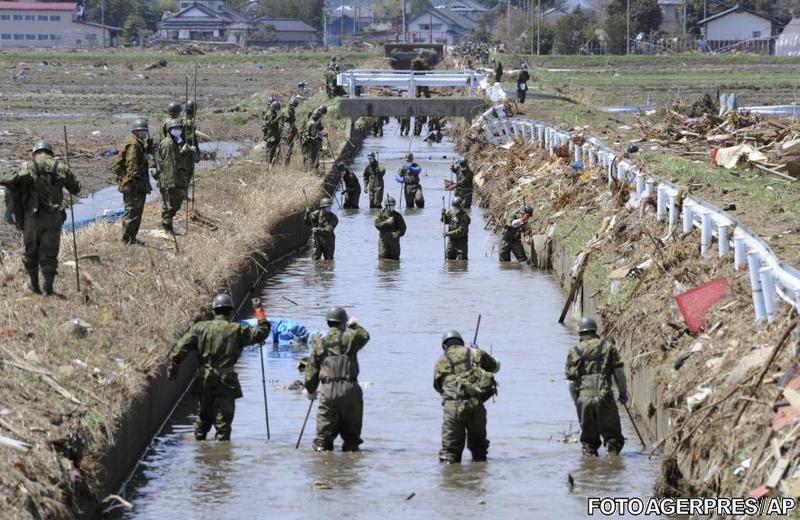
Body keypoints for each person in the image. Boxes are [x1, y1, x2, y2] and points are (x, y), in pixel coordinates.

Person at [169, 293, 271, 441]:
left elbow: (180, 348)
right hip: (226, 383)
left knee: (203, 419)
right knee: (223, 425)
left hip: (204, 381)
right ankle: (222, 457)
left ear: (214, 311)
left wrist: (175, 364)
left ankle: (199, 454)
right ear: (230, 311)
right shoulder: (238, 330)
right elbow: (262, 333)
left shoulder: (200, 328)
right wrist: (259, 309)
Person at [0, 141, 80, 295]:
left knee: (31, 252)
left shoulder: (27, 166)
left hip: (32, 218)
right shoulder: (61, 167)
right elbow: (76, 188)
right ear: (50, 153)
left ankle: (34, 285)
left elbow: (11, 182)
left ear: (34, 153)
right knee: (49, 253)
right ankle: (48, 289)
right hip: (53, 217)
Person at [303, 306, 370, 451]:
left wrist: (310, 389)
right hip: (350, 390)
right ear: (343, 323)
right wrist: (354, 325)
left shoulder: (319, 342)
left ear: (328, 322)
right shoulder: (350, 337)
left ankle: (325, 463)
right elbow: (365, 336)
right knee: (352, 441)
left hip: (328, 391)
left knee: (322, 440)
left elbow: (311, 373)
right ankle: (350, 465)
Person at [433, 330, 500, 463]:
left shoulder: (440, 361)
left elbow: (438, 387)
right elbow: (496, 366)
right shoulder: (475, 353)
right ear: (462, 342)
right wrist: (476, 355)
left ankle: (451, 479)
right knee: (479, 453)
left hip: (452, 409)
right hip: (475, 405)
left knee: (449, 454)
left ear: (444, 346)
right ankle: (478, 479)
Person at [565, 317, 627, 457]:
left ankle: (590, 468)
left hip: (584, 398)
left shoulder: (574, 351)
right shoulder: (608, 347)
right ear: (595, 330)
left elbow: (571, 382)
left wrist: (577, 400)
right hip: (604, 396)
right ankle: (612, 463)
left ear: (580, 332)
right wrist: (623, 392)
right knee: (613, 439)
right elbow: (619, 373)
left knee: (588, 443)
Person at [116, 118, 154, 245]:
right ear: (136, 132)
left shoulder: (138, 143)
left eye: (145, 131)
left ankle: (131, 238)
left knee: (135, 212)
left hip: (135, 183)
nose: (144, 133)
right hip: (133, 185)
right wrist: (140, 182)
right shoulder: (134, 145)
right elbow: (132, 167)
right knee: (132, 212)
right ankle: (127, 240)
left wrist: (147, 148)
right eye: (141, 131)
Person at [155, 118, 192, 233]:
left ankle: (168, 224)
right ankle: (167, 226)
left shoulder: (176, 141)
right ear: (169, 130)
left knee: (176, 202)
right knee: (169, 204)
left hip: (176, 177)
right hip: (169, 179)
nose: (177, 130)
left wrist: (183, 151)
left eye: (179, 128)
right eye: (174, 129)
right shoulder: (168, 143)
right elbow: (168, 164)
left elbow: (175, 159)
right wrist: (171, 183)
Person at [279, 97, 299, 165]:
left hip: (288, 132)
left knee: (289, 149)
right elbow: (287, 124)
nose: (294, 108)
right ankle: (285, 165)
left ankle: (286, 164)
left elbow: (292, 123)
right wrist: (289, 132)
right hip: (286, 133)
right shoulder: (287, 111)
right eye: (294, 106)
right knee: (287, 149)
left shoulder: (290, 110)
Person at [262, 100, 282, 164]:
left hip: (275, 134)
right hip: (271, 135)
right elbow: (268, 125)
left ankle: (274, 163)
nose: (277, 110)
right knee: (270, 151)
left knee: (275, 150)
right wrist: (277, 119)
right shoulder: (269, 114)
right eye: (276, 108)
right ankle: (269, 164)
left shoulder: (273, 113)